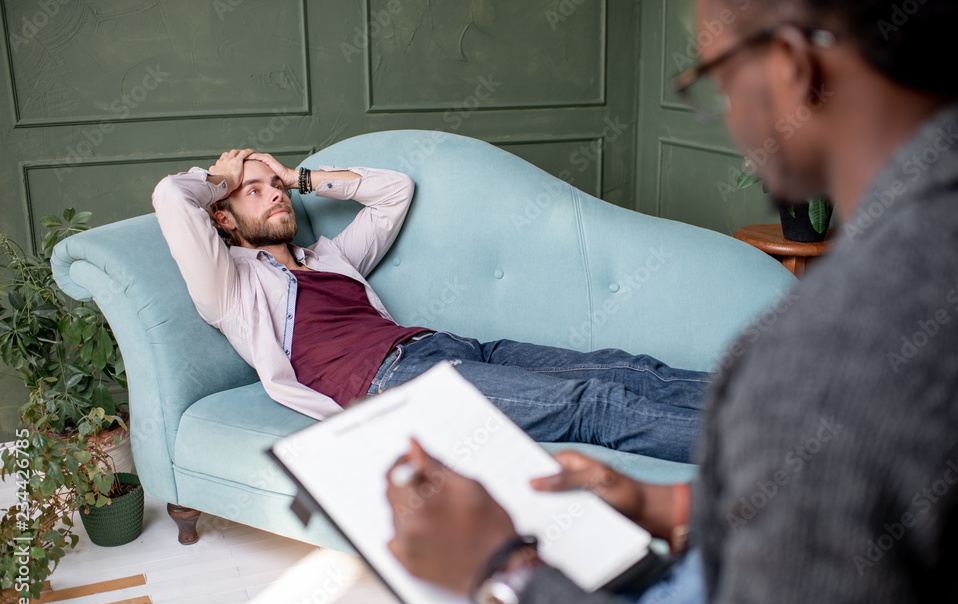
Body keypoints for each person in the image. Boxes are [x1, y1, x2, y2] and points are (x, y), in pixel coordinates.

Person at [385, 0, 958, 604]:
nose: (730, 115)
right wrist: (679, 504)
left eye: (719, 79)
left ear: (791, 68)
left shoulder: (825, 357)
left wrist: (501, 571)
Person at [152, 151, 709, 462]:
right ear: (222, 219)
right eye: (255, 192)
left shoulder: (330, 257)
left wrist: (300, 175)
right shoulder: (232, 291)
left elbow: (395, 190)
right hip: (399, 385)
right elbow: (170, 199)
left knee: (627, 367)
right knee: (593, 406)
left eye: (276, 187)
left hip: (450, 347)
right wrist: (220, 178)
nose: (275, 194)